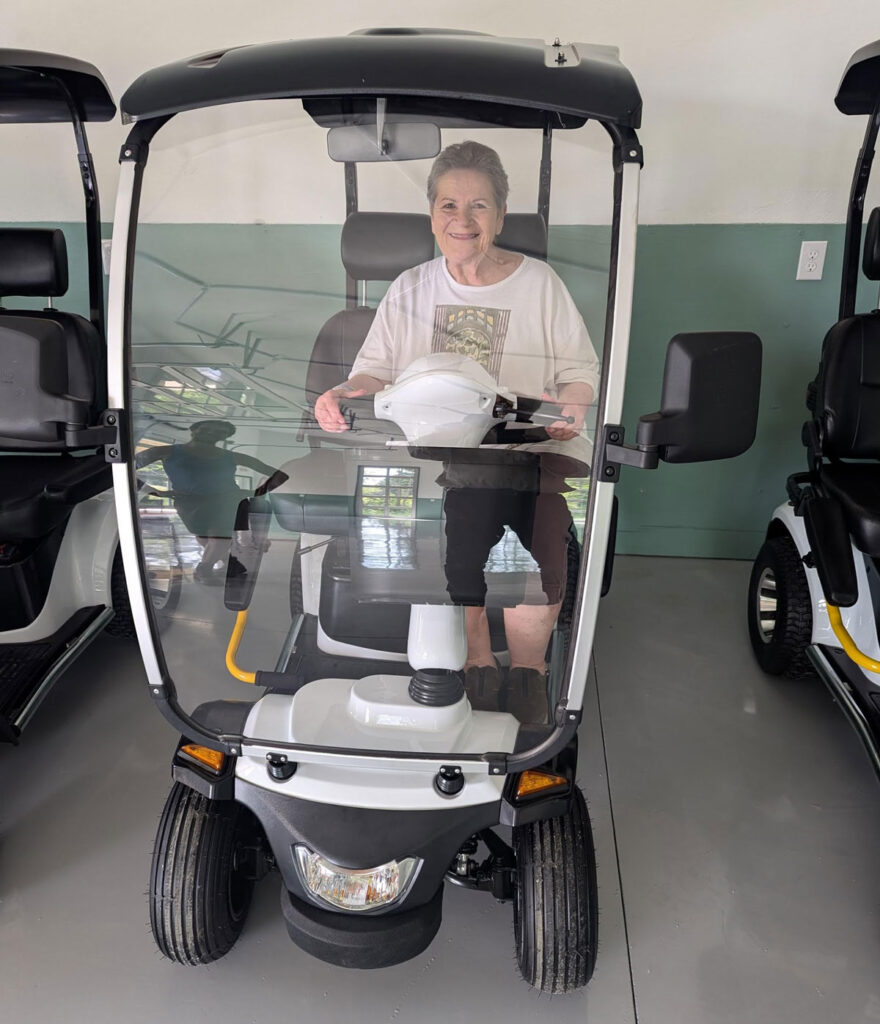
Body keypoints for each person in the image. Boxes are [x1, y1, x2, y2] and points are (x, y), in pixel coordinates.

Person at [315, 141, 599, 723]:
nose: (462, 221)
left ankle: (528, 673)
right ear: (431, 214)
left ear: (499, 215)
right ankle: (475, 663)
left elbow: (580, 375)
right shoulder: (410, 287)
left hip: (529, 451)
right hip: (439, 458)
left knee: (536, 557)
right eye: (449, 205)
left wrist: (569, 406)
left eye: (479, 206)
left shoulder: (540, 284)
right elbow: (376, 371)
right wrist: (345, 392)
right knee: (455, 545)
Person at [136, 420, 283, 583]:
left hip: (226, 502)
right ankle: (230, 563)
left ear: (224, 437)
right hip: (188, 503)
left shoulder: (231, 456)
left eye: (220, 432)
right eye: (208, 429)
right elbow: (124, 468)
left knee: (220, 538)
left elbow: (279, 475)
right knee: (204, 536)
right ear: (193, 429)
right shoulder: (165, 451)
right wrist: (154, 492)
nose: (213, 433)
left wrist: (256, 492)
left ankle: (203, 571)